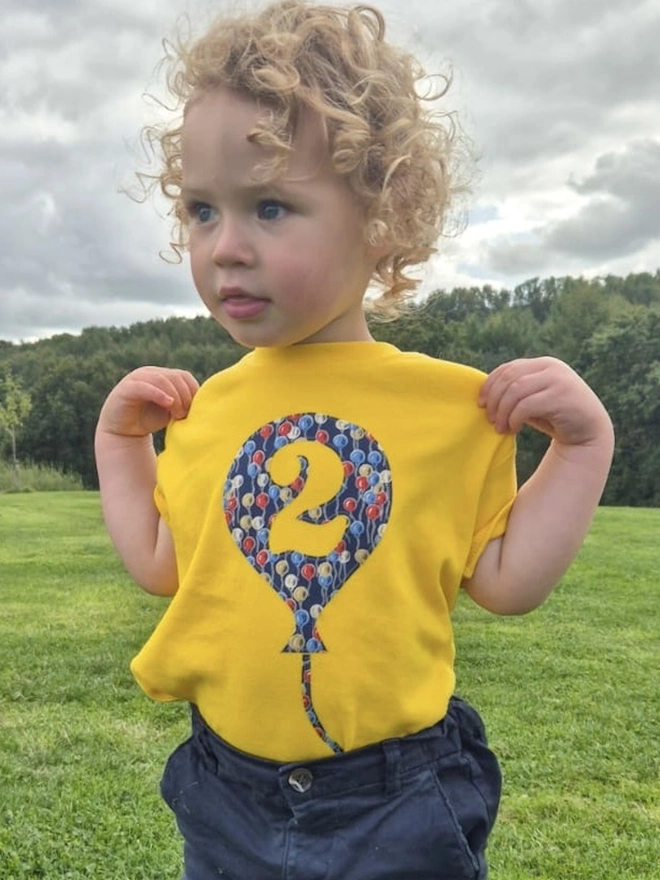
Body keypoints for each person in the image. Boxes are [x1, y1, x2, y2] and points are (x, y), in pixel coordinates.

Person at [94, 2, 615, 878]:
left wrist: (581, 448)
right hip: (226, 789)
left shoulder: (449, 408)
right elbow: (160, 564)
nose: (225, 248)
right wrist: (119, 442)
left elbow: (508, 582)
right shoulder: (207, 410)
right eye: (201, 210)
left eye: (270, 206)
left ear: (384, 219)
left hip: (398, 795)